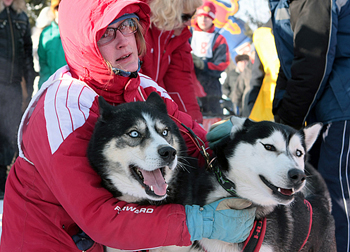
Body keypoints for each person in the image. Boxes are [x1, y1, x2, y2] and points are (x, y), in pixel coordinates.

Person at [0, 0, 256, 251]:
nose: (123, 40)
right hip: (49, 242)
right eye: (106, 34)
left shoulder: (141, 87)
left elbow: (194, 145)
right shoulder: (63, 109)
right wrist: (201, 222)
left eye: (127, 26)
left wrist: (230, 149)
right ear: (83, 44)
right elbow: (98, 216)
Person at [268, 1, 350, 251]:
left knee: (334, 190)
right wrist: (281, 114)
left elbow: (314, 62)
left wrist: (288, 123)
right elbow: (290, 62)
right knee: (317, 188)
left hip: (340, 105)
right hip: (321, 109)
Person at [140, 0, 203, 123]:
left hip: (153, 109)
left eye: (193, 15)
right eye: (184, 17)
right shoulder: (134, 29)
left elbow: (180, 84)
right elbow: (131, 82)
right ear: (164, 10)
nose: (190, 22)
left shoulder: (177, 36)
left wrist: (194, 126)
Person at [0, 0, 36, 199]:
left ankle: (4, 183)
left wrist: (29, 88)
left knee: (10, 134)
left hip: (14, 86)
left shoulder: (21, 16)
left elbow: (27, 55)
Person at [189, 1, 230, 116]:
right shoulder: (188, 34)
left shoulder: (219, 39)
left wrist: (204, 65)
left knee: (212, 121)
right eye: (201, 16)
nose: (203, 20)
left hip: (211, 89)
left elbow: (222, 64)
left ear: (212, 19)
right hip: (189, 86)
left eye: (207, 17)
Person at [37, 0, 67, 89]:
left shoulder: (75, 32)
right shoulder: (46, 34)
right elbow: (43, 62)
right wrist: (46, 84)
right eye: (58, 7)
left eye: (63, 7)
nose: (60, 10)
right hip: (50, 85)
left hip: (70, 86)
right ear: (54, 10)